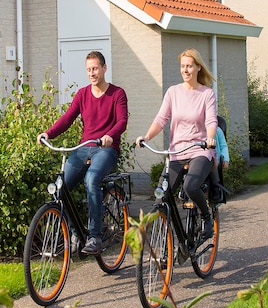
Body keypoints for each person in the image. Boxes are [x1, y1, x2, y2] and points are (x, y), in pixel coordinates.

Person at [38, 51, 128, 255]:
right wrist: (48, 134)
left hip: (106, 149)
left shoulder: (117, 94)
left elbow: (122, 121)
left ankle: (95, 236)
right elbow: (68, 118)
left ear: (104, 68)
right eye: (89, 70)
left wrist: (110, 135)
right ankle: (75, 232)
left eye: (95, 68)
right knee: (61, 187)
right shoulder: (82, 94)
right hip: (84, 148)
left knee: (91, 180)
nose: (92, 73)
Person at [137, 48, 218, 239]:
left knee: (190, 186)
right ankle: (170, 243)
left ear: (198, 67)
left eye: (189, 66)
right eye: (183, 66)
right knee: (161, 198)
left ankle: (206, 218)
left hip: (200, 150)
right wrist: (146, 137)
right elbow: (161, 119)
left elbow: (211, 121)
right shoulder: (173, 92)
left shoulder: (207, 94)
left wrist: (210, 138)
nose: (186, 70)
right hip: (177, 152)